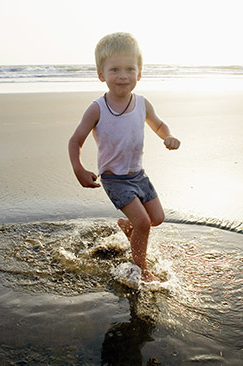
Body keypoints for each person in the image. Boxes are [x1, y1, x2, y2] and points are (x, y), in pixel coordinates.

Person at [68, 32, 180, 282]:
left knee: (156, 219)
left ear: (139, 74)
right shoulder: (98, 108)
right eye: (115, 69)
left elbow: (159, 124)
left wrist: (168, 136)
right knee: (143, 223)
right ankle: (141, 268)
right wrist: (79, 169)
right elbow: (75, 140)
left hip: (139, 175)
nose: (123, 76)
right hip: (114, 179)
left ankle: (127, 227)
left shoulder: (142, 104)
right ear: (101, 74)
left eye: (130, 69)